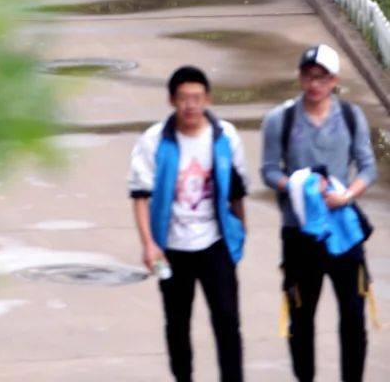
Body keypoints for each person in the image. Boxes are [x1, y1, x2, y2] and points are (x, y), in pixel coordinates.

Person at [261, 44, 376, 382]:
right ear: (300, 78)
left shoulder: (351, 117)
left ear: (334, 80)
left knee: (353, 314)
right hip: (300, 232)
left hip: (342, 230)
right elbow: (269, 170)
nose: (314, 85)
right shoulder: (279, 120)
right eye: (309, 77)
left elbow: (368, 168)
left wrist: (347, 195)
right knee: (301, 316)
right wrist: (296, 186)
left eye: (322, 78)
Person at [129, 66, 247, 382]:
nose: (190, 105)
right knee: (177, 324)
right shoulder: (155, 141)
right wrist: (149, 244)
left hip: (215, 245)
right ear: (171, 100)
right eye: (183, 98)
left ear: (207, 98)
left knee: (227, 321)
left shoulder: (225, 137)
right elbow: (140, 195)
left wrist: (239, 235)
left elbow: (237, 192)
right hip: (172, 249)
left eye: (197, 97)